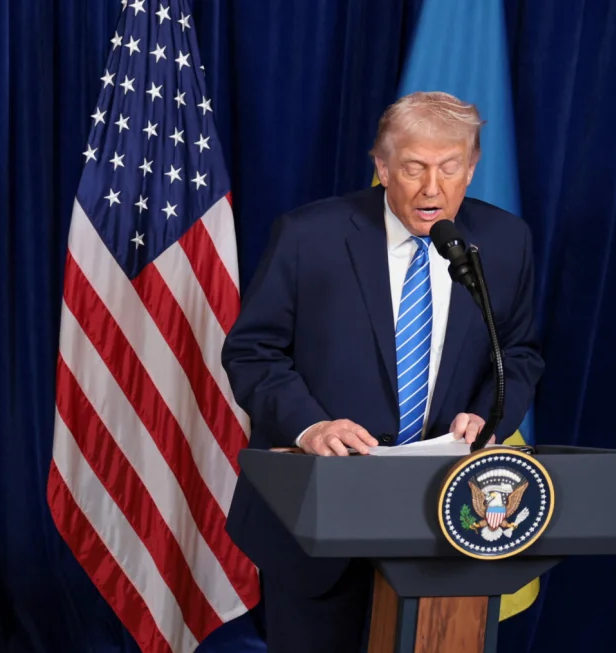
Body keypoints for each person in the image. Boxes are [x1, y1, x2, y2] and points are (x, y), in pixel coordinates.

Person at [221, 91, 543, 652]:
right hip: (322, 514)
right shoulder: (309, 236)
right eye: (414, 167)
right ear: (383, 167)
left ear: (471, 167)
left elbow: (518, 352)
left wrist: (492, 414)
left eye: (449, 168)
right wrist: (311, 428)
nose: (432, 188)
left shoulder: (504, 240)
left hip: (448, 516)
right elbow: (253, 352)